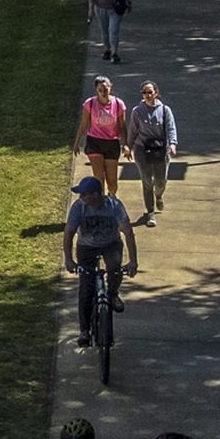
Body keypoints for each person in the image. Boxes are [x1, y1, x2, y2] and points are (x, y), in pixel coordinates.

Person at [63, 175, 139, 346]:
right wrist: (68, 259)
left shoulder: (114, 206)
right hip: (86, 248)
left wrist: (133, 261)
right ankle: (84, 330)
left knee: (115, 268)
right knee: (86, 288)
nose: (81, 197)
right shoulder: (78, 207)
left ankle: (112, 293)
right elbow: (69, 233)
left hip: (110, 244)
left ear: (96, 195)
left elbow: (128, 232)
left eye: (85, 194)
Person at [126, 80, 178, 226]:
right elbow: (133, 131)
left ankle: (159, 195)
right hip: (142, 149)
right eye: (144, 92)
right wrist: (128, 146)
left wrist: (172, 144)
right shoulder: (137, 111)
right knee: (147, 181)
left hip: (160, 150)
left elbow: (171, 128)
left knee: (161, 181)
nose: (148, 95)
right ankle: (150, 212)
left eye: (150, 92)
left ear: (156, 93)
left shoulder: (165, 110)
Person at [72, 73, 126, 195]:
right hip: (94, 142)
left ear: (110, 87)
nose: (103, 92)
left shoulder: (118, 104)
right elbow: (83, 124)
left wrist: (126, 144)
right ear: (96, 90)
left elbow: (122, 126)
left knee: (112, 182)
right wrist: (76, 143)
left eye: (105, 89)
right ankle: (100, 203)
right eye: (100, 90)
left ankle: (112, 200)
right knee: (99, 178)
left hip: (112, 143)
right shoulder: (90, 103)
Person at [85, 0, 130, 64]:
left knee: (113, 30)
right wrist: (90, 11)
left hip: (115, 9)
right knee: (104, 30)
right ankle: (107, 49)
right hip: (101, 8)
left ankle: (114, 53)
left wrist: (129, 3)